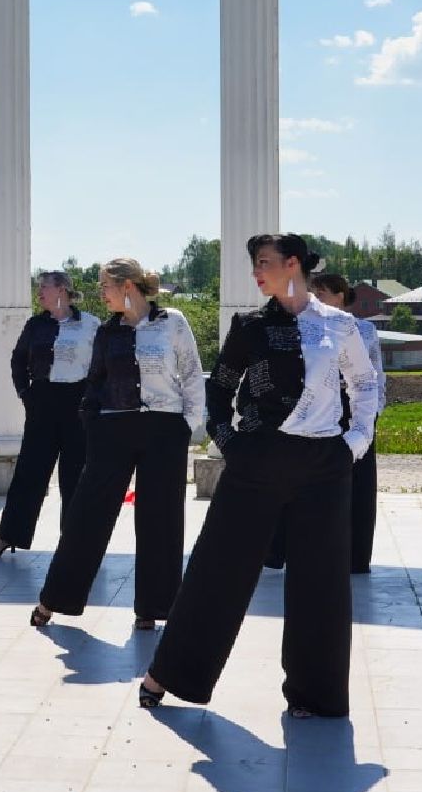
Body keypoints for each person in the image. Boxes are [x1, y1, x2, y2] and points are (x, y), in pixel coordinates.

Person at [139, 234, 378, 718]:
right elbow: (218, 392)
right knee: (217, 570)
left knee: (322, 585)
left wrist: (354, 445)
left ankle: (315, 695)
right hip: (257, 462)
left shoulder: (340, 325)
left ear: (293, 264)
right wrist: (233, 446)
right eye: (254, 265)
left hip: (324, 468)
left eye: (263, 263)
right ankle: (170, 673)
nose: (256, 273)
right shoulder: (249, 327)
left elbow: (365, 383)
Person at [30, 258, 203, 632]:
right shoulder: (107, 332)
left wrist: (187, 426)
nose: (100, 293)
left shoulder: (171, 322)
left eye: (104, 286)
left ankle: (153, 607)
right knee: (86, 516)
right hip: (113, 428)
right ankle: (54, 599)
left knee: (161, 520)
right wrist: (92, 424)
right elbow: (94, 382)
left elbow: (191, 373)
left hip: (165, 428)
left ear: (127, 286)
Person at [265, 272, 386, 574]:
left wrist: (370, 417)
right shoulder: (303, 323)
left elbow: (374, 375)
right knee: (296, 480)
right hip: (316, 409)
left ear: (341, 296)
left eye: (323, 292)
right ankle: (281, 550)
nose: (316, 297)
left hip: (354, 409)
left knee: (358, 483)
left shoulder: (365, 330)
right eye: (313, 291)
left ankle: (356, 557)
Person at [0, 271, 100, 558]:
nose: (39, 293)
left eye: (43, 287)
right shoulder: (36, 325)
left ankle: (74, 543)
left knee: (75, 476)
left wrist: (94, 400)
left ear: (62, 289)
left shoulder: (90, 324)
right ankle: (8, 535)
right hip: (43, 401)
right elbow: (18, 360)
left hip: (78, 403)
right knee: (29, 473)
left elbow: (102, 366)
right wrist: (26, 394)